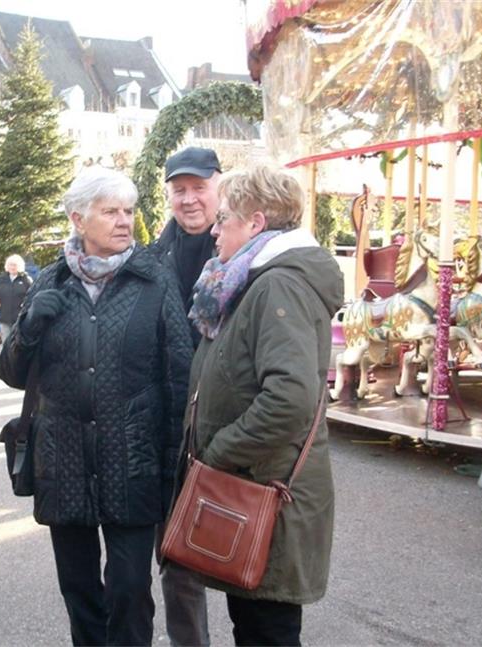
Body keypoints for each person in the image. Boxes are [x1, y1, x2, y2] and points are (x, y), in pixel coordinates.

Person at [0, 167, 193, 646]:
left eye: (129, 210)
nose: (124, 220)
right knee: (79, 590)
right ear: (78, 219)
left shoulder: (154, 281)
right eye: (110, 211)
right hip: (62, 462)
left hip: (133, 462)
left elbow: (179, 377)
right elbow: (12, 372)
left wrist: (175, 469)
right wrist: (28, 330)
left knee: (129, 589)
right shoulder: (50, 280)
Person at [176, 165, 343, 646]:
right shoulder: (256, 279)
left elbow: (289, 399)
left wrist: (215, 452)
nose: (213, 228)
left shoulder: (277, 285)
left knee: (266, 632)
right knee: (255, 626)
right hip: (258, 485)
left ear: (255, 222)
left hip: (266, 492)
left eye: (223, 217)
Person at [149, 146, 221, 645]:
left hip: (226, 427)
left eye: (199, 188)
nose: (189, 199)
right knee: (177, 561)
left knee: (248, 554)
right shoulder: (152, 259)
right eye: (180, 190)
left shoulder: (246, 254)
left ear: (220, 187)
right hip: (169, 432)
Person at [0, 254, 32, 343]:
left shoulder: (26, 279)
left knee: (19, 342)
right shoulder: (1, 279)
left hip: (20, 318)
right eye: (10, 265)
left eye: (15, 265)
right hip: (5, 317)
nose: (12, 267)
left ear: (20, 266)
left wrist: (26, 304)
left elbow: (32, 295)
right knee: (7, 343)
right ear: (7, 266)